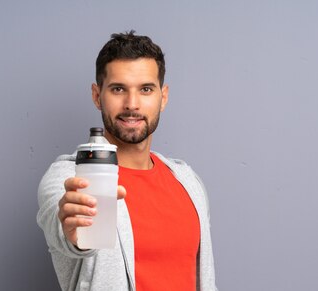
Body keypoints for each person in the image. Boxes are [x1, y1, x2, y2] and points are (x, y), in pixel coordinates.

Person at [37, 31, 217, 291]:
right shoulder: (71, 176)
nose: (132, 104)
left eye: (146, 89)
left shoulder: (187, 181)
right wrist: (73, 234)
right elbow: (62, 228)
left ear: (162, 97)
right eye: (118, 89)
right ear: (97, 96)